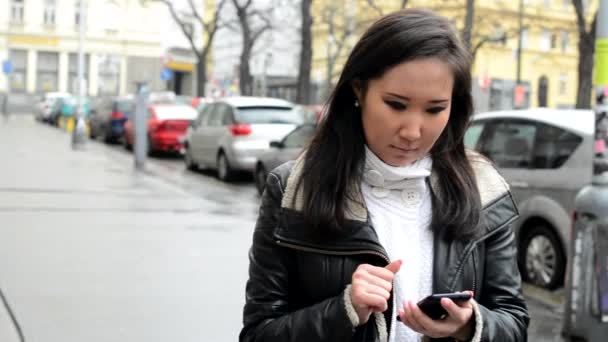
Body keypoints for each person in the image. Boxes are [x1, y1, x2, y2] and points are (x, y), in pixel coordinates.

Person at [240, 9, 529, 342]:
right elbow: (259, 333)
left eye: (435, 109)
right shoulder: (295, 190)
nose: (412, 131)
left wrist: (469, 325)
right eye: (396, 104)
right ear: (359, 91)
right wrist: (343, 310)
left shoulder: (483, 189)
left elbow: (514, 322)